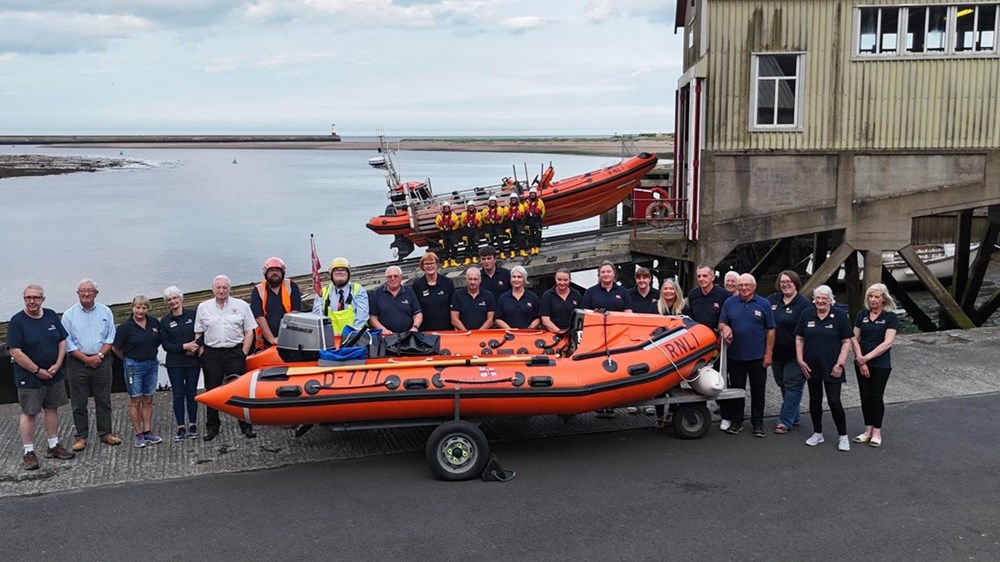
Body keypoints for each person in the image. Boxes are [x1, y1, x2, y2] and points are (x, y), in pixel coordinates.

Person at [8, 284, 75, 470]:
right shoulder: (17, 322)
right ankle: (28, 452)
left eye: (36, 298)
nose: (32, 301)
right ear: (24, 299)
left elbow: (62, 340)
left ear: (42, 299)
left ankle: (53, 445)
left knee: (51, 408)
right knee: (30, 413)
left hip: (53, 373)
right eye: (28, 297)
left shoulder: (51, 315)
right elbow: (15, 351)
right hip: (29, 377)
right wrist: (37, 370)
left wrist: (58, 364)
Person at [61, 279, 122, 451]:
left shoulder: (106, 312)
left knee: (104, 399)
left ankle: (105, 433)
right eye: (83, 291)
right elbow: (67, 342)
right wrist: (86, 359)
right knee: (78, 401)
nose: (86, 294)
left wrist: (100, 355)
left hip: (102, 360)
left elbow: (111, 337)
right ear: (78, 293)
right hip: (77, 362)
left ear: (96, 293)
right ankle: (81, 436)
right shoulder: (69, 315)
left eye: (90, 290)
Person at [195, 275, 257, 441]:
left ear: (230, 289)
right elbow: (198, 332)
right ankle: (212, 427)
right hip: (212, 354)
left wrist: (243, 352)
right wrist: (202, 352)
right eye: (218, 287)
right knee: (212, 390)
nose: (221, 290)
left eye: (224, 287)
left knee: (240, 390)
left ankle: (246, 425)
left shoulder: (242, 306)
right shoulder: (203, 307)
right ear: (213, 289)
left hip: (234, 353)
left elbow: (250, 331)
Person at [796, 285, 854, 451]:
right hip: (811, 365)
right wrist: (800, 360)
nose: (820, 301)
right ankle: (817, 433)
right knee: (814, 400)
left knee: (834, 401)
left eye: (824, 298)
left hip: (832, 366)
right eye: (817, 298)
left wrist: (840, 364)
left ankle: (843, 436)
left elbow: (846, 342)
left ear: (830, 300)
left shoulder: (840, 316)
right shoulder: (807, 314)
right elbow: (799, 338)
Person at [717, 273, 775, 437]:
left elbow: (771, 330)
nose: (743, 288)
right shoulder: (729, 302)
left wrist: (768, 354)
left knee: (758, 391)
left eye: (747, 285)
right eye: (740, 285)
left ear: (754, 286)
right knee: (737, 391)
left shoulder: (764, 304)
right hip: (735, 356)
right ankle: (737, 420)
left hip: (757, 356)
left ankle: (758, 423)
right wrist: (725, 328)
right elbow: (722, 322)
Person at [112, 295, 164, 448]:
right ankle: (138, 433)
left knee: (148, 399)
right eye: (138, 307)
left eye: (144, 307)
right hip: (133, 365)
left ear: (148, 309)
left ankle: (148, 430)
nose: (140, 311)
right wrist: (128, 361)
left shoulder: (154, 323)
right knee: (135, 400)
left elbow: (159, 340)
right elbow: (116, 347)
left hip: (152, 364)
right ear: (132, 308)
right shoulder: (124, 328)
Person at [851, 283, 899, 448]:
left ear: (883, 299)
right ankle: (867, 429)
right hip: (861, 361)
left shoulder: (890, 317)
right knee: (864, 396)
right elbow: (854, 338)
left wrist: (867, 358)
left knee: (875, 397)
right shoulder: (861, 315)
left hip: (880, 363)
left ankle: (877, 432)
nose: (873, 300)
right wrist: (859, 358)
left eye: (876, 297)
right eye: (870, 296)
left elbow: (887, 343)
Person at [582, 261, 632, 418]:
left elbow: (628, 313)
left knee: (615, 370)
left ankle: (613, 403)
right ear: (599, 274)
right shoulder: (591, 292)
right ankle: (599, 402)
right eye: (603, 272)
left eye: (608, 272)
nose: (605, 274)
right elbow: (584, 312)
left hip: (616, 336)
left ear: (614, 274)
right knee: (597, 369)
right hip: (596, 336)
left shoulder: (623, 292)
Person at [767, 270, 812, 434]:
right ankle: (794, 415)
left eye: (789, 282)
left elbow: (809, 331)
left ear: (795, 284)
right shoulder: (773, 299)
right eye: (782, 282)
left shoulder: (804, 305)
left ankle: (785, 421)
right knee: (782, 384)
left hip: (796, 355)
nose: (785, 285)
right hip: (776, 353)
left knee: (793, 386)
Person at [160, 286, 201, 441]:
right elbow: (166, 345)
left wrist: (194, 348)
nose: (173, 301)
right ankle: (180, 427)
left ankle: (192, 424)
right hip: (175, 363)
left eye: (175, 298)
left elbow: (201, 334)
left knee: (191, 394)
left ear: (181, 299)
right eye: (169, 300)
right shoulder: (165, 321)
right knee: (178, 395)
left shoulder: (193, 314)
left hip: (193, 361)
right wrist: (185, 346)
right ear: (166, 303)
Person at [652, 278, 687, 423]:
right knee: (659, 386)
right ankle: (659, 415)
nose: (668, 291)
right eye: (665, 289)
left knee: (675, 384)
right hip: (659, 351)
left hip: (677, 351)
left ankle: (672, 413)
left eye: (671, 289)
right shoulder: (655, 307)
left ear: (676, 291)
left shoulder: (683, 308)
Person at [250, 256, 302, 348]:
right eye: (271, 271)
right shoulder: (258, 290)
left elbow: (296, 312)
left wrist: (285, 337)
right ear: (266, 273)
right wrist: (271, 339)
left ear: (282, 272)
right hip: (265, 341)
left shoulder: (291, 286)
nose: (274, 273)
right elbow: (259, 317)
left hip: (290, 337)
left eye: (277, 270)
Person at [312, 257, 369, 338]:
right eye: (336, 270)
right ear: (331, 273)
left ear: (348, 273)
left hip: (354, 337)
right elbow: (317, 317)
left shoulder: (358, 290)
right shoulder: (322, 292)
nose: (340, 272)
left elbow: (362, 316)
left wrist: (350, 335)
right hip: (330, 338)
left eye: (343, 270)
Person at [370, 265, 423, 334]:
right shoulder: (377, 293)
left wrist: (415, 327)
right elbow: (372, 317)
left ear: (401, 277)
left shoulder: (409, 292)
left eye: (396, 276)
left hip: (407, 335)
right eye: (389, 276)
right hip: (385, 337)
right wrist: (383, 330)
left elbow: (417, 313)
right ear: (386, 278)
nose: (393, 278)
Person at [411, 252, 456, 331]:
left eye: (432, 263)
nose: (429, 266)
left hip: (447, 329)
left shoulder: (447, 283)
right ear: (422, 266)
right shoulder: (417, 286)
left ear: (437, 265)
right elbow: (415, 310)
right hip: (426, 331)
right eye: (426, 264)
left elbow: (454, 306)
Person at [685, 265, 730, 331]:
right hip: (696, 334)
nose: (701, 279)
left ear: (713, 278)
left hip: (716, 336)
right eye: (699, 276)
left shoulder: (723, 294)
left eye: (705, 276)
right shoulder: (693, 294)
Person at [540, 268, 583, 332]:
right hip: (552, 334)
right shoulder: (547, 295)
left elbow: (581, 316)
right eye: (559, 280)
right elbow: (545, 320)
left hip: (572, 334)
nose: (562, 283)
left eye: (565, 280)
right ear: (555, 279)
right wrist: (560, 332)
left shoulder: (576, 295)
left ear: (570, 280)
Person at [435, 202, 461, 268]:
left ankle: (453, 261)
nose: (446, 209)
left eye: (447, 207)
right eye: (445, 207)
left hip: (452, 232)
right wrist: (442, 227)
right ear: (443, 208)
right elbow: (437, 223)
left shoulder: (453, 215)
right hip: (443, 232)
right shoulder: (440, 216)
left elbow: (457, 222)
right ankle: (446, 262)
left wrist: (451, 227)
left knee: (454, 246)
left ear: (449, 208)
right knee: (444, 246)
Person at [523, 187, 546, 255]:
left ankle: (537, 248)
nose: (532, 195)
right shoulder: (526, 202)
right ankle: (532, 248)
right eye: (531, 194)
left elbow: (543, 211)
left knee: (538, 234)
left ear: (535, 194)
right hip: (529, 220)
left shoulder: (540, 201)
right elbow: (524, 210)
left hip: (537, 220)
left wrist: (539, 217)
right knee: (530, 235)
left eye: (534, 193)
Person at [459, 201, 483, 265]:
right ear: (468, 207)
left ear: (474, 206)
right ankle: (467, 258)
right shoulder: (464, 214)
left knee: (475, 243)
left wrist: (475, 223)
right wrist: (466, 223)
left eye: (472, 206)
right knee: (467, 244)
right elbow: (461, 222)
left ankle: (474, 257)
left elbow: (480, 222)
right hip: (467, 230)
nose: (471, 207)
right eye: (470, 206)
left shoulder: (478, 214)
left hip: (475, 229)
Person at [504, 193, 527, 258]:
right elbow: (505, 214)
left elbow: (522, 213)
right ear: (510, 200)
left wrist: (516, 215)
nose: (513, 200)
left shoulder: (520, 206)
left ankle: (522, 251)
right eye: (512, 199)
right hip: (510, 223)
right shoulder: (507, 207)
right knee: (512, 237)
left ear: (516, 199)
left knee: (521, 237)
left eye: (515, 199)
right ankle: (512, 252)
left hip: (518, 223)